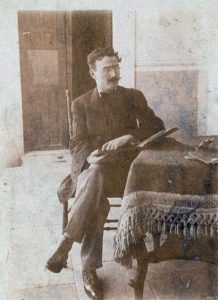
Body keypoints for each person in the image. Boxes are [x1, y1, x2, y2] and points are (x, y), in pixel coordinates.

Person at [46, 47, 164, 299]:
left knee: (94, 186)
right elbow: (77, 144)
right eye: (106, 69)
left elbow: (157, 127)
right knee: (96, 191)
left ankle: (68, 246)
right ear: (92, 73)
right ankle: (88, 269)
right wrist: (89, 155)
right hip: (94, 171)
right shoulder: (81, 104)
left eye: (116, 68)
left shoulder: (133, 96)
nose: (113, 74)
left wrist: (129, 137)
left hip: (126, 173)